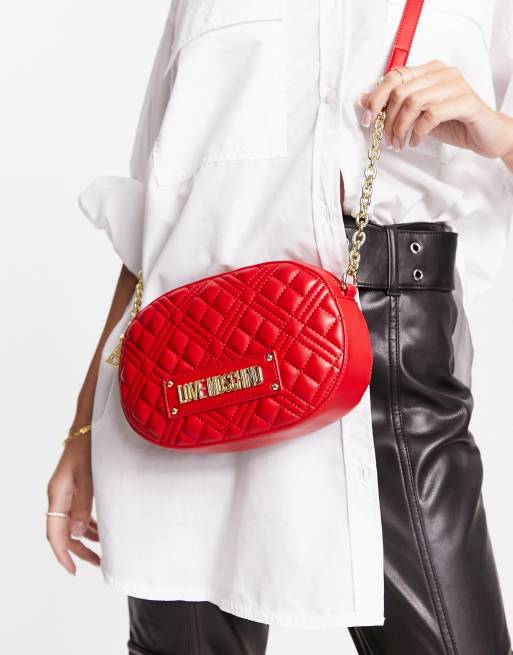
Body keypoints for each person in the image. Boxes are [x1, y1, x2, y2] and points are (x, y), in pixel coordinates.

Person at [46, 1, 513, 654]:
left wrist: (500, 134)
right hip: (191, 371)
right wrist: (83, 427)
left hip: (385, 354)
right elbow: (150, 220)